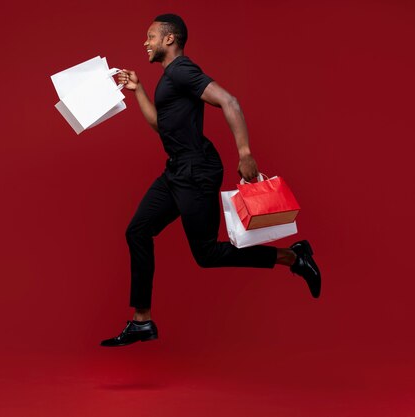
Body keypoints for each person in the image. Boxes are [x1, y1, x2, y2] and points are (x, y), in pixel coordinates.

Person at [100, 14, 321, 347]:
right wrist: (139, 90)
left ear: (169, 39)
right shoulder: (169, 79)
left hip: (195, 170)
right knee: (138, 230)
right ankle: (142, 322)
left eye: (150, 37)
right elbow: (163, 126)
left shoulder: (181, 70)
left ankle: (293, 256)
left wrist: (244, 152)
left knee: (206, 254)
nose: (145, 43)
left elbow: (229, 100)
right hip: (177, 170)